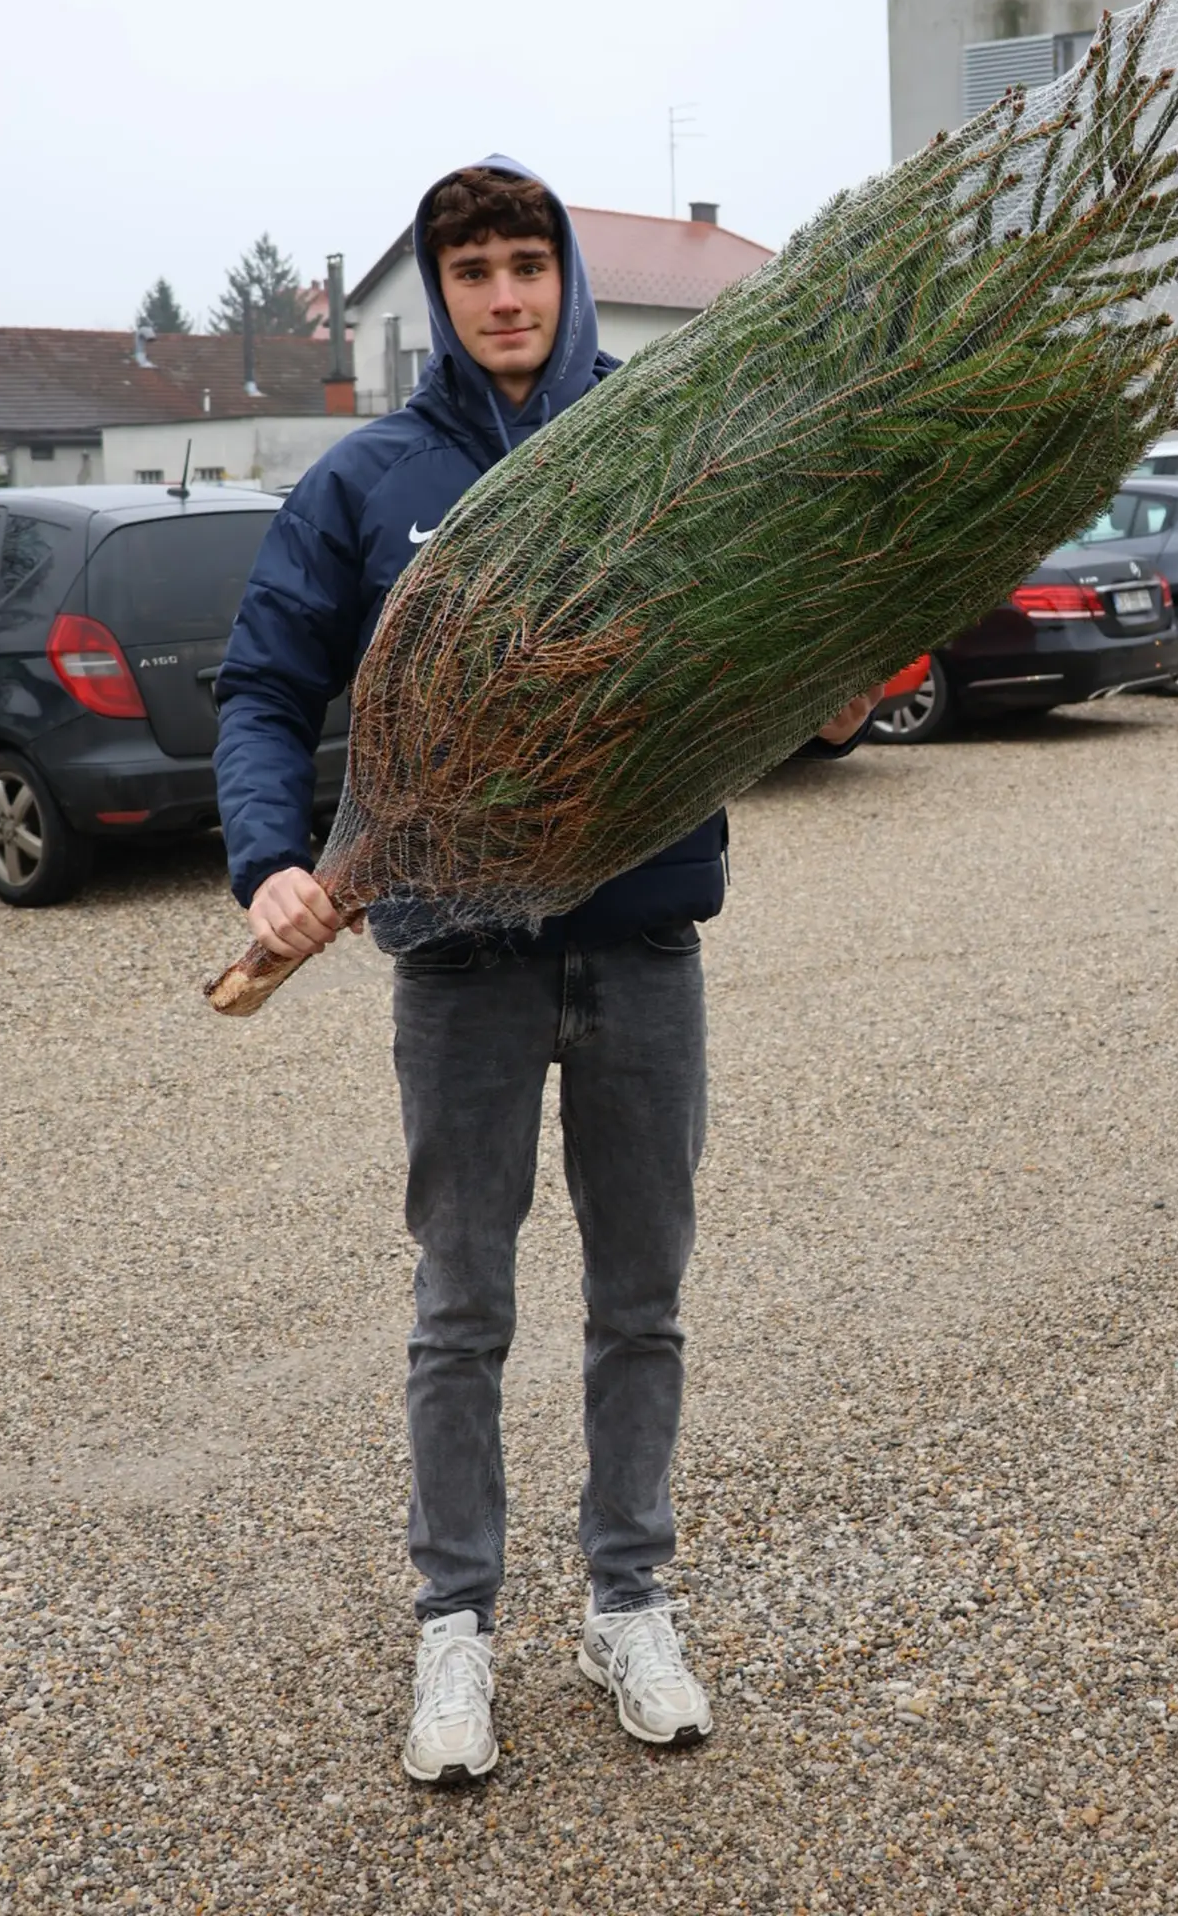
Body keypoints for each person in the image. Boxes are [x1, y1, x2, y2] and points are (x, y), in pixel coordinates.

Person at [214, 160, 879, 1783]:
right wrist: (275, 861)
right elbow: (258, 687)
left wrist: (832, 694)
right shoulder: (370, 483)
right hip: (457, 966)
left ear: (565, 274)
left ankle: (627, 1601)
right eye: (472, 272)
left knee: (641, 1304)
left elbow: (760, 650)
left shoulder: (669, 444)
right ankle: (456, 1630)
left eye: (527, 263)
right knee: (463, 1305)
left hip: (645, 941)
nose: (504, 295)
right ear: (438, 296)